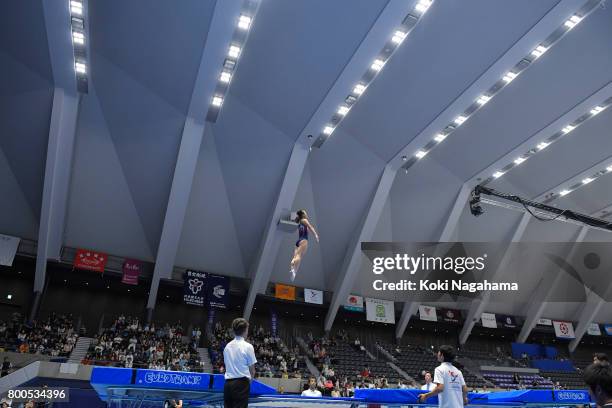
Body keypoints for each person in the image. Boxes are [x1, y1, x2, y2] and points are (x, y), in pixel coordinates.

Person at [223, 318, 257, 408]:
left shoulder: (227, 346)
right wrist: (247, 384)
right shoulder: (248, 347)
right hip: (241, 384)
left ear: (234, 330)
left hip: (228, 384)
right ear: (245, 330)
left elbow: (227, 366)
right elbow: (252, 371)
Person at [289, 209, 319, 281]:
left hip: (298, 241)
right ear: (303, 214)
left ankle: (293, 271)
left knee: (296, 257)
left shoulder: (299, 222)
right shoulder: (304, 220)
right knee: (299, 256)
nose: (306, 213)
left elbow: (294, 217)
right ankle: (292, 265)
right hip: (304, 240)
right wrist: (316, 235)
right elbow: (311, 227)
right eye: (305, 212)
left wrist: (295, 215)